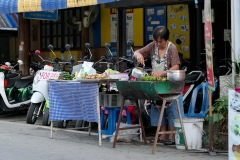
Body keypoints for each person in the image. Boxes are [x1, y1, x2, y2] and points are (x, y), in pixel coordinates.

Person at [133, 26, 184, 145]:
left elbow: (176, 66)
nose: (158, 43)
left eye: (161, 41)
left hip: (171, 84)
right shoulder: (152, 46)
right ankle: (162, 135)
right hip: (157, 84)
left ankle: (172, 135)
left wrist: (161, 73)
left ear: (166, 40)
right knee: (158, 107)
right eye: (156, 41)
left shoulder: (172, 48)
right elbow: (137, 51)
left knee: (172, 109)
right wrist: (139, 55)